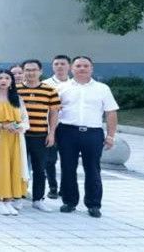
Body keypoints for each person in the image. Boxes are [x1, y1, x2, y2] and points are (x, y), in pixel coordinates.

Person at [55, 56, 118, 218]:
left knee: (93, 168)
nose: (82, 68)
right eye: (78, 66)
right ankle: (69, 201)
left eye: (85, 66)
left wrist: (111, 136)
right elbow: (53, 111)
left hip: (93, 133)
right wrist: (51, 132)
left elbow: (110, 112)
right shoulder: (62, 87)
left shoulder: (102, 88)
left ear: (91, 68)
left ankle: (93, 204)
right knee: (67, 167)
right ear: (72, 69)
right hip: (67, 132)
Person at [0, 70, 30, 216]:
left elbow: (25, 119)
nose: (3, 80)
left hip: (16, 138)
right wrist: (0, 125)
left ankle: (8, 201)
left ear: (11, 81)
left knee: (15, 167)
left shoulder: (17, 98)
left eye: (7, 78)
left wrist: (20, 127)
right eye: (0, 78)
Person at [15, 59, 59, 212]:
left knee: (40, 169)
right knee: (19, 168)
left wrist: (51, 133)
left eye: (34, 70)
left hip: (40, 135)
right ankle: (17, 197)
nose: (30, 73)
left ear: (40, 71)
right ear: (23, 72)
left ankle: (38, 199)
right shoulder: (15, 89)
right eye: (27, 70)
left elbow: (54, 113)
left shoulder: (50, 90)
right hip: (19, 135)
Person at [42, 54, 72, 199]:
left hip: (68, 128)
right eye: (56, 64)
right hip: (50, 127)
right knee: (50, 160)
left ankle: (65, 188)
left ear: (69, 66)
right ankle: (52, 187)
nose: (59, 66)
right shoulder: (45, 84)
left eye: (63, 64)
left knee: (67, 160)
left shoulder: (74, 84)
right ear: (52, 67)